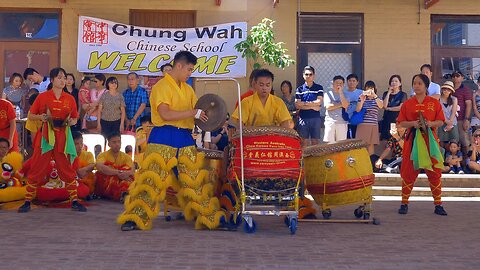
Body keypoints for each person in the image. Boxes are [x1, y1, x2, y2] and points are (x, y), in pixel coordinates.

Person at [118, 51, 225, 231]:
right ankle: (135, 218)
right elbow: (165, 114)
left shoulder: (188, 89)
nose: (190, 73)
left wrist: (212, 114)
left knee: (194, 180)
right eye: (189, 69)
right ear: (179, 66)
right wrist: (192, 113)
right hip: (163, 136)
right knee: (151, 179)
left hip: (184, 137)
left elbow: (199, 113)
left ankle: (209, 218)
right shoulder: (162, 86)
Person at [17, 67, 86, 213]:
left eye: (64, 77)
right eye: (60, 77)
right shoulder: (43, 97)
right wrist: (41, 117)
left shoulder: (70, 98)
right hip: (46, 136)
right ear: (53, 80)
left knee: (67, 168)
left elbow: (75, 117)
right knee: (36, 167)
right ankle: (27, 202)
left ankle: (74, 201)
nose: (63, 80)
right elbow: (31, 115)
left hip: (62, 136)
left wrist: (72, 122)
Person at [397, 74, 447, 216]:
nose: (416, 85)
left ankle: (438, 204)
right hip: (412, 141)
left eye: (419, 83)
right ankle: (404, 203)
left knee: (434, 173)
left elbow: (441, 121)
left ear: (426, 86)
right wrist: (413, 123)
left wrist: (430, 124)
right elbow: (401, 122)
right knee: (408, 171)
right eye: (414, 83)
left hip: (430, 141)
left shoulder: (434, 102)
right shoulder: (407, 103)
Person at [95, 132, 134, 201]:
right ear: (109, 144)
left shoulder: (126, 157)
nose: (117, 144)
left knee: (129, 176)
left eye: (119, 142)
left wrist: (125, 173)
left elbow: (132, 171)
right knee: (106, 170)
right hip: (107, 182)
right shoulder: (103, 155)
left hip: (122, 179)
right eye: (114, 142)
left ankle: (123, 193)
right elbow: (99, 166)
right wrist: (118, 172)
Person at [295, 66, 323, 146]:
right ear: (303, 75)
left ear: (314, 75)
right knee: (304, 142)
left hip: (315, 118)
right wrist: (313, 106)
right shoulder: (299, 89)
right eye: (306, 74)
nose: (308, 76)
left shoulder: (319, 88)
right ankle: (304, 158)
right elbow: (297, 105)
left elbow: (319, 101)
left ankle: (314, 159)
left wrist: (304, 104)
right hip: (303, 118)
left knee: (315, 142)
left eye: (310, 74)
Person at [355, 81, 383, 155]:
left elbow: (381, 106)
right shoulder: (362, 97)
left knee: (371, 145)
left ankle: (371, 163)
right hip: (362, 124)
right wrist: (362, 100)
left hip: (373, 124)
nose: (369, 90)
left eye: (371, 88)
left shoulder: (378, 98)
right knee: (361, 145)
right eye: (367, 88)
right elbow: (357, 110)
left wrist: (375, 96)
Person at [323, 75, 349, 142]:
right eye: (337, 83)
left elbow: (345, 105)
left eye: (340, 83)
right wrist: (341, 104)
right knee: (329, 145)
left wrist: (340, 92)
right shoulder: (327, 94)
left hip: (342, 122)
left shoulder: (346, 94)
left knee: (341, 145)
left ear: (343, 84)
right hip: (330, 122)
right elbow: (328, 107)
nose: (338, 85)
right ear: (333, 84)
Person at [452, 70, 473, 154]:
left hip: (461, 119)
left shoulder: (465, 89)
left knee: (465, 142)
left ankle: (467, 162)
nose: (455, 77)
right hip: (450, 120)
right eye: (453, 76)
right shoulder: (449, 89)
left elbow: (469, 104)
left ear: (462, 77)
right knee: (452, 142)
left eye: (457, 75)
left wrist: (466, 119)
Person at [380, 75, 407, 140]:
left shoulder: (403, 95)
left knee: (396, 140)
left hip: (397, 120)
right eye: (392, 81)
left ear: (400, 83)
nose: (394, 83)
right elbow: (384, 106)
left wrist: (389, 109)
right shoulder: (385, 93)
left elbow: (400, 107)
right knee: (385, 140)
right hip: (386, 120)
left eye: (396, 81)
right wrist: (389, 93)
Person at [437, 81, 459, 148]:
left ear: (451, 91)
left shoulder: (454, 99)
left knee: (454, 141)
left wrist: (450, 122)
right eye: (444, 89)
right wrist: (446, 121)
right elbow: (439, 112)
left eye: (448, 89)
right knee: (441, 141)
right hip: (441, 122)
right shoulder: (438, 99)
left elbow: (454, 111)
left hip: (452, 122)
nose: (446, 91)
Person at [345, 74, 363, 139]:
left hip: (357, 120)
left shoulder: (361, 92)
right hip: (345, 120)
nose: (351, 82)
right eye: (350, 80)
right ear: (347, 82)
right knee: (346, 140)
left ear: (357, 82)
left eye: (353, 81)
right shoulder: (343, 93)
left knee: (356, 140)